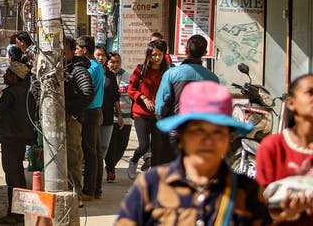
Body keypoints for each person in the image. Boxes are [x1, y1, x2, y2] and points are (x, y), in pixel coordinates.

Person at [113, 82, 269, 226]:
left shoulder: (248, 192)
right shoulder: (151, 186)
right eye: (198, 131)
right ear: (181, 136)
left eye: (217, 133)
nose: (208, 141)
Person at [0, 59, 36, 224]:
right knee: (18, 175)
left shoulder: (11, 93)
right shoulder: (26, 91)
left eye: (8, 73)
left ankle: (15, 214)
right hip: (21, 138)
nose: (5, 75)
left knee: (13, 177)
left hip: (11, 139)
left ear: (16, 77)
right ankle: (21, 212)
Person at [254, 72, 313, 225]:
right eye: (310, 92)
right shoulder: (273, 147)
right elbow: (260, 210)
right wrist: (286, 214)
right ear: (291, 102)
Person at [155, 34, 219, 164]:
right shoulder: (213, 78)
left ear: (186, 50)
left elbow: (160, 107)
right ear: (205, 53)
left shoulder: (171, 74)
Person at [128, 40, 169, 178]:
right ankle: (134, 160)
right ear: (149, 55)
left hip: (158, 114)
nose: (157, 58)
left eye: (159, 54)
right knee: (144, 145)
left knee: (158, 148)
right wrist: (143, 98)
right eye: (154, 55)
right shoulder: (141, 70)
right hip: (141, 112)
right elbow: (131, 89)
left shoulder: (167, 72)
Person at [63, 35, 95, 196]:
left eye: (64, 50)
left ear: (71, 51)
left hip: (72, 122)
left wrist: (73, 113)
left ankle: (76, 193)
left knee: (73, 157)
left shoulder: (78, 69)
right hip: (57, 121)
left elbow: (88, 93)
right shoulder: (63, 68)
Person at [78, 36, 106, 200]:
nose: (76, 51)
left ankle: (89, 189)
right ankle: (96, 189)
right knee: (95, 152)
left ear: (84, 50)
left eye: (78, 48)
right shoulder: (98, 66)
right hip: (96, 111)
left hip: (89, 112)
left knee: (90, 152)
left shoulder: (90, 67)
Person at [95, 46, 123, 189]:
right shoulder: (90, 71)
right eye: (98, 55)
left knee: (104, 147)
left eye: (103, 55)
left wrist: (119, 115)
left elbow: (115, 97)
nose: (101, 58)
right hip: (91, 117)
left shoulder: (109, 75)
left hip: (107, 117)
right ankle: (94, 179)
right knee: (92, 149)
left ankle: (103, 173)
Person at [106, 52, 133, 182]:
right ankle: (110, 170)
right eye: (112, 62)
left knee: (122, 146)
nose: (115, 65)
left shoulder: (128, 77)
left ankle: (112, 165)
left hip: (126, 118)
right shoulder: (105, 77)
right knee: (111, 145)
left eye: (117, 62)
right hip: (110, 118)